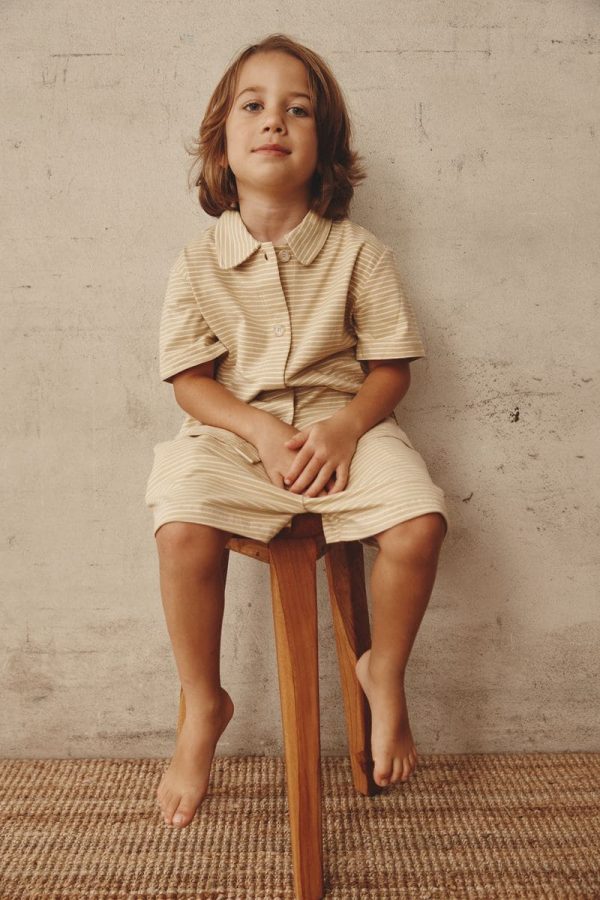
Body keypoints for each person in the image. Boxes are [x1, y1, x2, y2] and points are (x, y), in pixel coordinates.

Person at [145, 33, 450, 830]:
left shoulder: (359, 254)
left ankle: (383, 667)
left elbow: (391, 368)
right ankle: (203, 702)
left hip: (343, 430)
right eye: (254, 105)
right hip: (237, 437)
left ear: (326, 147)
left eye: (297, 109)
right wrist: (253, 428)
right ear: (222, 141)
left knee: (420, 525)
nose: (274, 120)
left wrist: (347, 427)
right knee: (179, 526)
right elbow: (189, 383)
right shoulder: (196, 262)